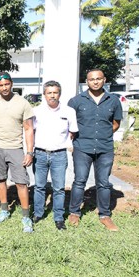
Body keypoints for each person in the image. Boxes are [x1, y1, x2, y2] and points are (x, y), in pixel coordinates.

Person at [68, 69, 123, 231]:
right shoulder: (76, 101)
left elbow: (116, 123)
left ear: (104, 80)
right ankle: (74, 212)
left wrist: (102, 136)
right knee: (79, 181)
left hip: (105, 148)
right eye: (92, 79)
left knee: (104, 183)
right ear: (87, 81)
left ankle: (105, 215)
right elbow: (69, 125)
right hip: (82, 148)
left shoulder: (113, 100)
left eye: (99, 79)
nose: (96, 82)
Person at [0, 72, 35, 233]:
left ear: (11, 84)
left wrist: (29, 152)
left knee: (21, 182)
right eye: (1, 85)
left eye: (7, 84)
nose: (4, 88)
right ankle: (4, 210)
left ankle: (26, 216)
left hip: (16, 148)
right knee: (0, 179)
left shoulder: (23, 103)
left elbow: (28, 128)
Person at [32, 81, 78, 230]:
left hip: (59, 155)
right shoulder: (36, 111)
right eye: (49, 93)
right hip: (39, 154)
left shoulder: (69, 111)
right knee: (39, 186)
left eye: (55, 92)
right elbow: (30, 132)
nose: (52, 95)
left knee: (58, 188)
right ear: (44, 94)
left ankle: (58, 218)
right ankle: (38, 213)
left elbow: (73, 131)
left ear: (60, 94)